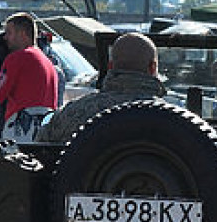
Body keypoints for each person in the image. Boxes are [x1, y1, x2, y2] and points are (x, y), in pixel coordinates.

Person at [37, 31, 165, 142]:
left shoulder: (74, 114)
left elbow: (38, 152)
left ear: (110, 66)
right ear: (152, 68)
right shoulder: (172, 119)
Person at [0, 12, 58, 143]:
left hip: (22, 128)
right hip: (43, 127)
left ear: (23, 34)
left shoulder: (18, 58)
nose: (5, 38)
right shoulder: (46, 60)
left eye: (9, 33)